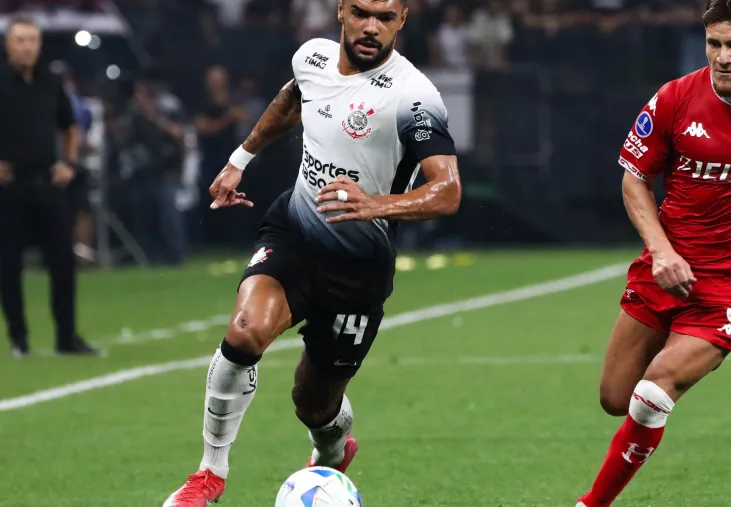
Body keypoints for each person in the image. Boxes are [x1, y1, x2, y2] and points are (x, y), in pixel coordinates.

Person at [163, 1, 461, 505]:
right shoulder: (312, 58)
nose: (372, 27)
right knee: (245, 331)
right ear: (341, 10)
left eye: (385, 18)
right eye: (362, 12)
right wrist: (239, 160)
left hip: (358, 267)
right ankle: (209, 473)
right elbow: (290, 101)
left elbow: (448, 190)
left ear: (402, 21)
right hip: (295, 230)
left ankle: (332, 446)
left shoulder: (413, 97)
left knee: (314, 404)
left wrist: (375, 204)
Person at [576, 1, 731, 505]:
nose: (723, 57)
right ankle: (690, 352)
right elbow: (634, 179)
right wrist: (662, 252)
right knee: (615, 398)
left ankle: (591, 503)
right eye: (714, 44)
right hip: (666, 266)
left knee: (653, 392)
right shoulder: (674, 98)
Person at [0, 17, 101, 357]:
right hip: (9, 188)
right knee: (8, 265)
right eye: (21, 40)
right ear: (8, 44)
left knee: (62, 261)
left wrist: (68, 163)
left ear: (39, 44)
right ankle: (19, 339)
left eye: (32, 40)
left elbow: (70, 125)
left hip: (47, 184)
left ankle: (66, 337)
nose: (28, 46)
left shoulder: (50, 81)